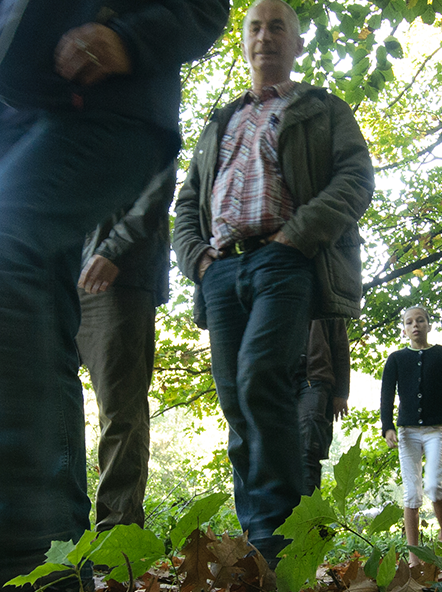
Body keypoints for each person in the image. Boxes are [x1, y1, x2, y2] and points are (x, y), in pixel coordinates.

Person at [0, 0, 230, 592]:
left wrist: (129, 35)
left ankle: (26, 521)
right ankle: (50, 543)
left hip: (109, 105)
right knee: (42, 318)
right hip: (32, 123)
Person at [172, 0, 372, 562]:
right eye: (255, 27)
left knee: (263, 379)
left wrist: (297, 237)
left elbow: (356, 178)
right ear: (244, 41)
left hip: (285, 260)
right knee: (237, 403)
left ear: (296, 42)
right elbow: (189, 202)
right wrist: (199, 261)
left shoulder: (323, 110)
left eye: (276, 26)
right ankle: (258, 544)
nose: (265, 36)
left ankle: (277, 544)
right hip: (220, 270)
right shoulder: (220, 121)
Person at [76, 168, 174, 531]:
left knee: (120, 409)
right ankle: (57, 531)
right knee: (51, 408)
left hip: (116, 273)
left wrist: (115, 247)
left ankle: (117, 539)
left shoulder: (139, 114)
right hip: (54, 271)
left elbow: (157, 183)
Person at [379, 305, 442, 549]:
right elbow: (386, 394)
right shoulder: (397, 359)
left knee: (433, 484)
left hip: (436, 429)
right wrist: (387, 426)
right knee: (412, 493)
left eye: (420, 321)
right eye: (409, 322)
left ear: (429, 325)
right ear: (404, 330)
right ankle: (414, 555)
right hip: (407, 432)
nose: (415, 325)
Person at [300, 318, 350, 492]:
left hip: (316, 377)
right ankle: (285, 515)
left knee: (309, 445)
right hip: (280, 380)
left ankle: (310, 516)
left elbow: (340, 345)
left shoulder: (326, 293)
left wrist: (341, 393)